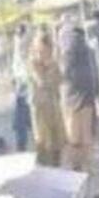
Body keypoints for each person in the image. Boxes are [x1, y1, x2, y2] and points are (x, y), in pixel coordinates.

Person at [61, 27, 99, 172]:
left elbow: (64, 75)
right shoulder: (89, 51)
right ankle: (88, 166)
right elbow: (96, 74)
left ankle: (75, 166)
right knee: (87, 134)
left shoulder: (66, 53)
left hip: (71, 96)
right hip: (87, 94)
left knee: (73, 136)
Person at [27, 28, 67, 168]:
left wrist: (52, 66)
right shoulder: (33, 62)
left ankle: (57, 167)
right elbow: (42, 82)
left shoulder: (53, 62)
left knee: (58, 140)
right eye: (42, 48)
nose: (45, 52)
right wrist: (49, 68)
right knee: (43, 141)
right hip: (40, 106)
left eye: (48, 49)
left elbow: (61, 79)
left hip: (54, 104)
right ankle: (44, 169)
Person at [12, 84, 32, 151]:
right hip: (21, 122)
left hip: (21, 122)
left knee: (22, 136)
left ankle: (21, 147)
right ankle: (21, 147)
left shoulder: (22, 102)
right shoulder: (21, 101)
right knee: (21, 136)